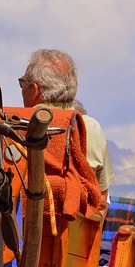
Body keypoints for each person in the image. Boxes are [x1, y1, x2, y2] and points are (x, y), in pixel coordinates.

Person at [19, 48, 114, 194]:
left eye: (22, 83)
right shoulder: (91, 127)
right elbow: (101, 199)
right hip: (78, 215)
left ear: (35, 89)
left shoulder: (15, 124)